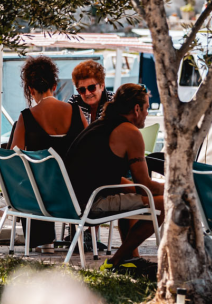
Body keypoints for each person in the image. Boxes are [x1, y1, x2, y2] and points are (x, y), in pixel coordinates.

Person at [66, 83, 165, 275]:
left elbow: (108, 177)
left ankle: (129, 260)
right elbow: (145, 185)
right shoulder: (130, 132)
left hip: (71, 200)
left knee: (130, 191)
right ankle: (116, 260)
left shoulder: (101, 125)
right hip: (90, 204)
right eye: (146, 108)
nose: (147, 113)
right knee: (164, 203)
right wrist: (174, 189)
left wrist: (133, 188)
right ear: (136, 109)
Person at [8, 56, 88, 249]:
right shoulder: (76, 112)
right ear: (54, 85)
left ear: (30, 89)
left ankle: (43, 242)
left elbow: (13, 159)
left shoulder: (26, 117)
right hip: (76, 193)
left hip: (42, 197)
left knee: (31, 182)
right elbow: (90, 149)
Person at [70, 60, 113, 127]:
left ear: (102, 86)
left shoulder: (114, 102)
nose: (87, 93)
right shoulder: (74, 102)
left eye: (91, 88)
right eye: (82, 90)